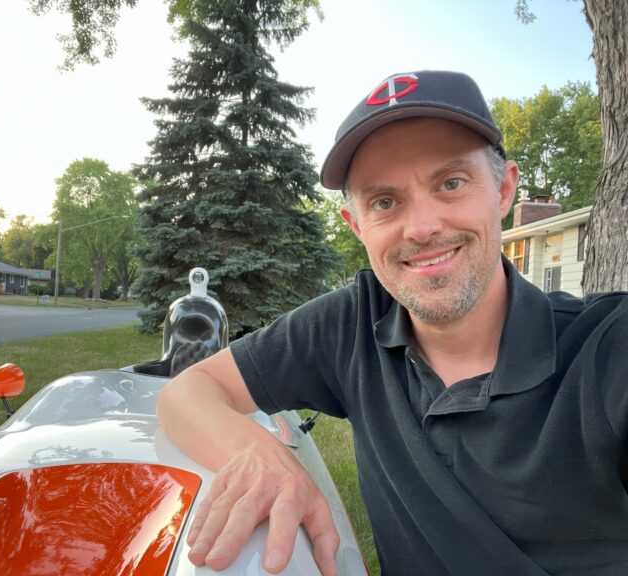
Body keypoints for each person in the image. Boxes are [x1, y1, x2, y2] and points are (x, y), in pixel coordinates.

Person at [157, 70, 628, 575]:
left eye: (450, 183)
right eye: (385, 202)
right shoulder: (352, 324)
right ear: (357, 225)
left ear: (503, 189)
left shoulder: (608, 348)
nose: (422, 227)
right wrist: (261, 455)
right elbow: (189, 390)